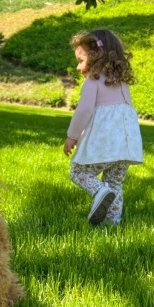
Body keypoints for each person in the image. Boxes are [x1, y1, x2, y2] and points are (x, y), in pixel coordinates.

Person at [64, 29, 143, 225]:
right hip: (126, 147)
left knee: (78, 172)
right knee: (115, 183)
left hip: (105, 144)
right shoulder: (122, 83)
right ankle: (111, 224)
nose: (78, 66)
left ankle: (100, 191)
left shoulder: (92, 82)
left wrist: (72, 136)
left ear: (95, 57)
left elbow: (84, 111)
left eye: (81, 60)